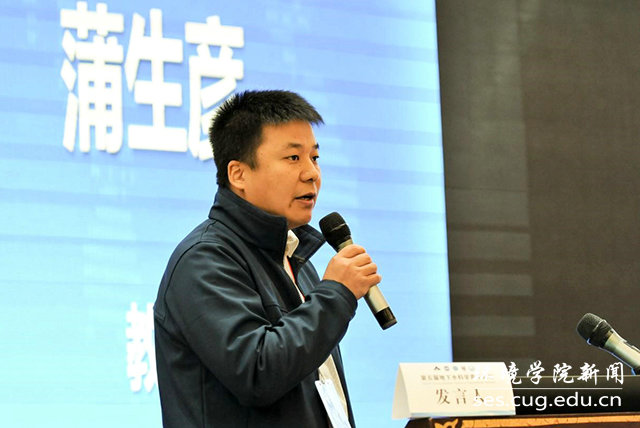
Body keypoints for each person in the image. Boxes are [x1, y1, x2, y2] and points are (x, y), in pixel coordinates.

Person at [154, 90, 381, 427]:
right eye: (293, 158)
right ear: (238, 174)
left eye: (315, 158)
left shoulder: (297, 259)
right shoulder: (204, 260)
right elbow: (257, 372)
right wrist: (337, 294)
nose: (311, 173)